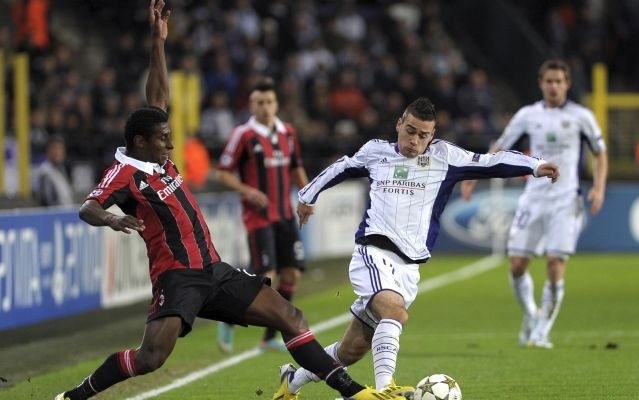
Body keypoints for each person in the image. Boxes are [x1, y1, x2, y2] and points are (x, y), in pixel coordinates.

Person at [55, 3, 404, 400]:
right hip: (178, 277)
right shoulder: (123, 174)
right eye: (163, 138)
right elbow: (88, 207)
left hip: (213, 269)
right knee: (150, 358)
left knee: (291, 315)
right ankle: (74, 396)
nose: (171, 144)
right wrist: (113, 220)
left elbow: (158, 95)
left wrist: (157, 41)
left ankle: (353, 393)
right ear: (139, 141)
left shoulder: (157, 155)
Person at [273, 97, 560, 400]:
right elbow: (342, 167)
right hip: (373, 251)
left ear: (432, 135)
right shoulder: (376, 152)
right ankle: (386, 388)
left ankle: (292, 381)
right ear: (399, 124)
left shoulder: (445, 156)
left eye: (424, 135)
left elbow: (491, 162)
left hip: (409, 268)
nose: (415, 140)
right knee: (394, 312)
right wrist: (307, 196)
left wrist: (535, 165)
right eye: (410, 131)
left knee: (351, 350)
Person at [461, 59, 608, 349]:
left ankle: (542, 332)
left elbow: (600, 153)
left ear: (567, 84)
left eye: (558, 81)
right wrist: (473, 175)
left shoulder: (581, 116)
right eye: (549, 81)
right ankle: (531, 314)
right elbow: (500, 146)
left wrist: (599, 187)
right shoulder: (528, 115)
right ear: (541, 83)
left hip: (566, 199)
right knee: (516, 265)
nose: (553, 86)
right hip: (533, 197)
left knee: (555, 265)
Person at [215, 76, 309, 353]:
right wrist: (247, 190)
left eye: (269, 102)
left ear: (276, 104)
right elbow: (223, 172)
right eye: (259, 102)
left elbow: (296, 168)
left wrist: (308, 196)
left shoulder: (287, 132)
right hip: (259, 217)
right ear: (251, 105)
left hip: (285, 215)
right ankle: (228, 316)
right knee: (265, 276)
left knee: (291, 275)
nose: (265, 107)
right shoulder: (243, 135)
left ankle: (269, 337)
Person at [33, 134, 76, 206]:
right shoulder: (45, 172)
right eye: (54, 148)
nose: (57, 152)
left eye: (60, 149)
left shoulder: (62, 169)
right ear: (48, 151)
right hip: (54, 212)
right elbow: (46, 203)